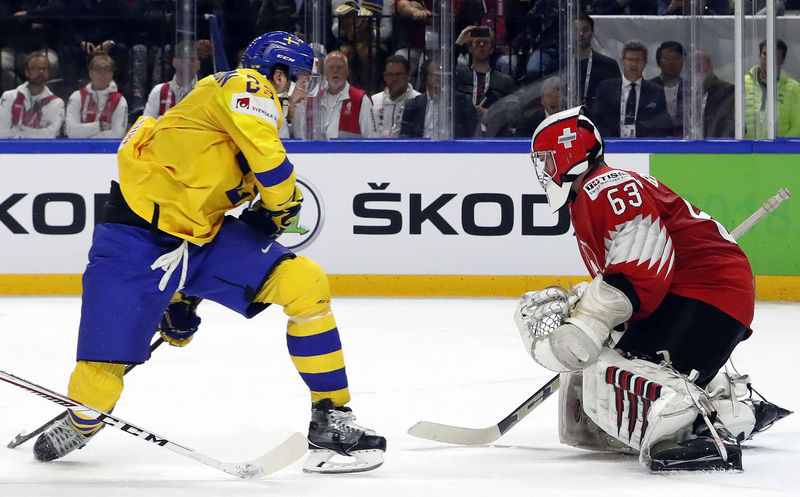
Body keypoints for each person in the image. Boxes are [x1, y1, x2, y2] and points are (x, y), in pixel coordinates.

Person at [32, 31, 386, 474]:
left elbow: (215, 197)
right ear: (277, 74)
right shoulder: (248, 88)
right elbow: (272, 167)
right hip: (134, 236)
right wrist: (283, 205)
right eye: (300, 80)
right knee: (100, 379)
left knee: (305, 283)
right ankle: (83, 419)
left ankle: (331, 416)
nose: (303, 92)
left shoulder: (246, 117)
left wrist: (188, 296)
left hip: (200, 238)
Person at [516, 106, 791, 471]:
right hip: (704, 294)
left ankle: (696, 436)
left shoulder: (606, 185)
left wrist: (591, 320)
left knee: (613, 367)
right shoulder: (592, 195)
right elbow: (637, 277)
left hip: (706, 292)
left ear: (571, 153)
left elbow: (641, 266)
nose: (544, 171)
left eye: (547, 160)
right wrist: (600, 316)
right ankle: (731, 408)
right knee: (607, 367)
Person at [588, 40, 670, 138]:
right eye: (630, 60)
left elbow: (661, 123)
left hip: (644, 145)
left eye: (638, 60)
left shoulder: (657, 91)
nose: (634, 64)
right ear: (622, 62)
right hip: (611, 144)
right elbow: (598, 119)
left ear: (645, 63)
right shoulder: (606, 88)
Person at [296, 50, 377, 139]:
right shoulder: (313, 100)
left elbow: (373, 138)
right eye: (331, 67)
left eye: (340, 67)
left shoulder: (361, 100)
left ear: (347, 71)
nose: (335, 70)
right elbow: (303, 136)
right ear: (325, 72)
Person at [400, 56, 478, 138]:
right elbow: (405, 137)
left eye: (444, 74)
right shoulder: (413, 105)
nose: (440, 78)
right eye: (435, 74)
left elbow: (474, 136)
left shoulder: (463, 103)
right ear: (425, 77)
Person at [455, 26, 517, 127]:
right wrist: (458, 42)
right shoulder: (459, 75)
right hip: (463, 132)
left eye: (486, 42)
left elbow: (514, 113)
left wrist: (490, 114)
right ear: (470, 48)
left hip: (493, 134)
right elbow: (442, 70)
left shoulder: (505, 81)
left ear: (492, 49)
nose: (481, 45)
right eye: (477, 42)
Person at [64, 50, 128, 139]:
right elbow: (71, 132)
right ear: (90, 73)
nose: (102, 73)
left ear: (112, 74)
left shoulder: (119, 100)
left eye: (107, 69)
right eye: (98, 69)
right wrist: (100, 126)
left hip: (107, 151)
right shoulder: (77, 97)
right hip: (78, 151)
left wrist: (84, 134)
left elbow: (117, 135)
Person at [744, 39, 800, 139]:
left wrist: (780, 148)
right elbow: (731, 120)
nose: (769, 59)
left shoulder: (794, 89)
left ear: (783, 59)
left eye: (774, 56)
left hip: (778, 152)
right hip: (746, 151)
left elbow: (798, 125)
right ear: (759, 56)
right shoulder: (742, 84)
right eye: (765, 54)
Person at [0, 51, 64, 138]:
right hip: (11, 150)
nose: (41, 72)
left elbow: (50, 135)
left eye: (44, 69)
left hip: (43, 150)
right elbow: (2, 132)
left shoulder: (56, 103)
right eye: (36, 68)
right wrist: (37, 133)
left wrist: (19, 131)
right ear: (27, 72)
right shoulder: (9, 97)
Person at [142, 41, 202, 119]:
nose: (188, 63)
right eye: (184, 58)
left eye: (192, 59)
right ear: (174, 62)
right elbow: (145, 125)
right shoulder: (159, 91)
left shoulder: (204, 93)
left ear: (198, 65)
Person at [371, 54, 420, 137]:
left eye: (399, 74)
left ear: (408, 75)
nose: (394, 79)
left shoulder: (419, 101)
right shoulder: (373, 101)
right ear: (385, 77)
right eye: (390, 74)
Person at [576, 14, 620, 105]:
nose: (581, 34)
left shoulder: (609, 66)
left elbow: (616, 98)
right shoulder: (556, 66)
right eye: (576, 30)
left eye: (585, 30)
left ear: (592, 32)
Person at [692, 50, 734, 138]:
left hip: (716, 146)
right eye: (691, 66)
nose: (695, 69)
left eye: (699, 65)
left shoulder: (727, 91)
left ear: (710, 66)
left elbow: (729, 124)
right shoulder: (685, 90)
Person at [648, 41, 685, 137]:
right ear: (658, 62)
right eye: (666, 58)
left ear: (683, 61)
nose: (671, 63)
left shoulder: (690, 87)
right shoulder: (647, 87)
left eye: (676, 58)